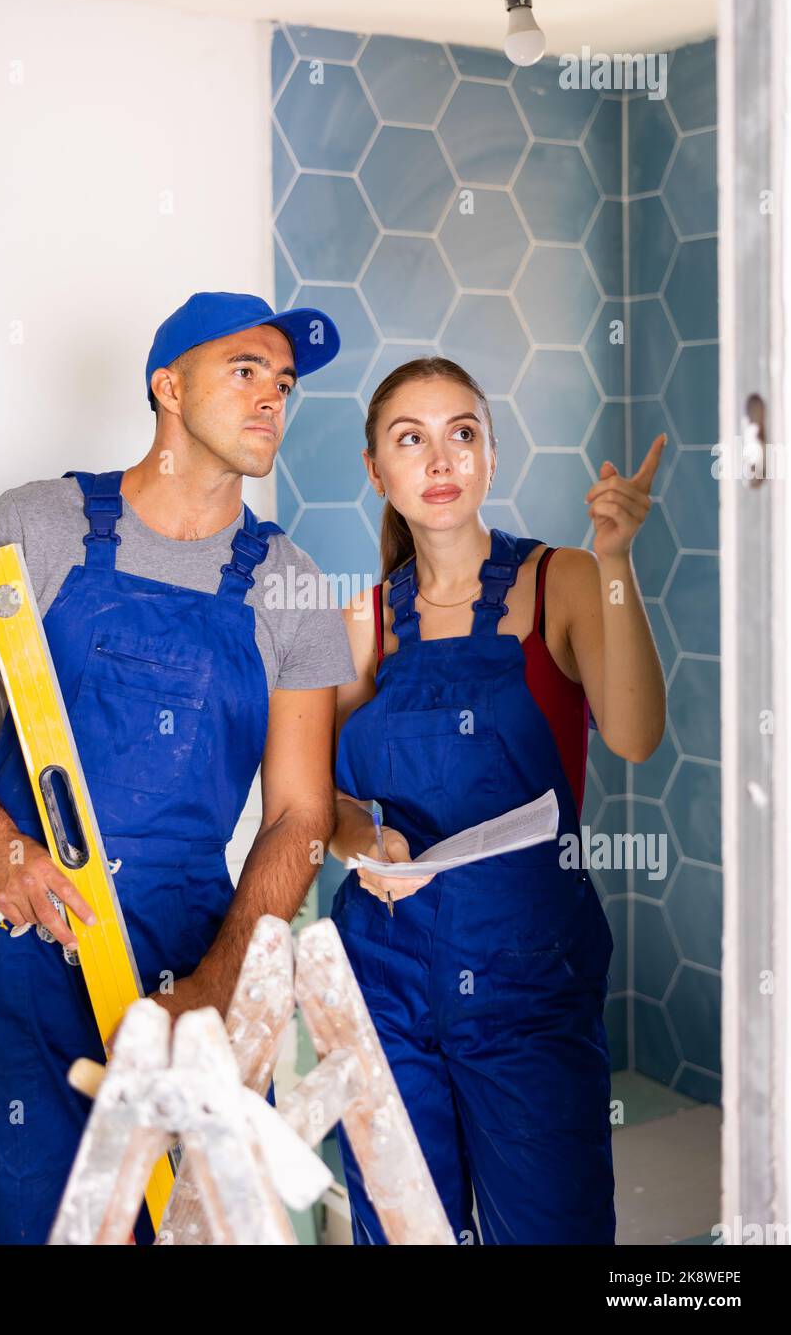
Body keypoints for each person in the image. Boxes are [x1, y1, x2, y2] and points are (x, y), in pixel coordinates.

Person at [0, 291, 357, 1244]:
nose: (274, 397)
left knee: (181, 1225)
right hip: (20, 938)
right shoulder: (43, 524)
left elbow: (300, 816)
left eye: (286, 383)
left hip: (185, 941)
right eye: (246, 371)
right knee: (34, 1220)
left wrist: (216, 987)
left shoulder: (293, 585)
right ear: (166, 385)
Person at [328, 356, 666, 1245]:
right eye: (411, 439)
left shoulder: (565, 581)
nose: (440, 460)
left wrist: (618, 560)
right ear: (376, 470)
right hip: (385, 981)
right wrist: (363, 837)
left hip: (527, 981)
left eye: (462, 435)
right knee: (405, 1230)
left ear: (489, 455)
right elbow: (310, 794)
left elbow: (633, 733)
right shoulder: (362, 623)